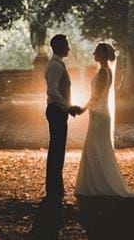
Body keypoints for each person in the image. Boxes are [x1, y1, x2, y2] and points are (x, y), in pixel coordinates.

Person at [74, 42, 134, 198]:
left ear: (101, 55)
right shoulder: (106, 71)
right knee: (98, 147)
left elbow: (95, 97)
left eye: (95, 52)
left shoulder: (103, 72)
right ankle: (97, 182)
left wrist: (82, 109)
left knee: (96, 148)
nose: (93, 54)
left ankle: (99, 184)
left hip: (99, 115)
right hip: (100, 114)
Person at [44, 34, 83, 200]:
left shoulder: (58, 64)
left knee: (58, 149)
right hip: (56, 110)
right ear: (59, 47)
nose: (68, 48)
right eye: (66, 45)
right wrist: (68, 107)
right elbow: (52, 90)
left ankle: (55, 187)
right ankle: (54, 189)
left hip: (58, 110)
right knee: (57, 149)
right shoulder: (55, 66)